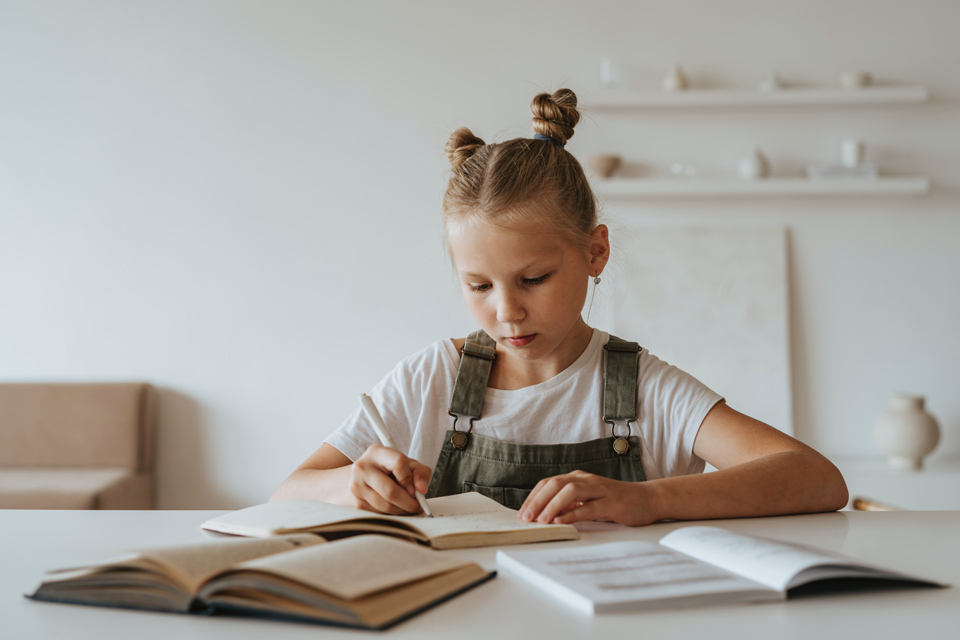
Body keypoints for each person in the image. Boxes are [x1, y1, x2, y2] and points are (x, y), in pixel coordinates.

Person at [272, 88, 848, 526]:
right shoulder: (432, 379)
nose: (507, 312)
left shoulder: (643, 388)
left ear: (594, 252)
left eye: (533, 278)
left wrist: (647, 498)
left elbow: (817, 479)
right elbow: (288, 491)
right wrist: (349, 485)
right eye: (478, 287)